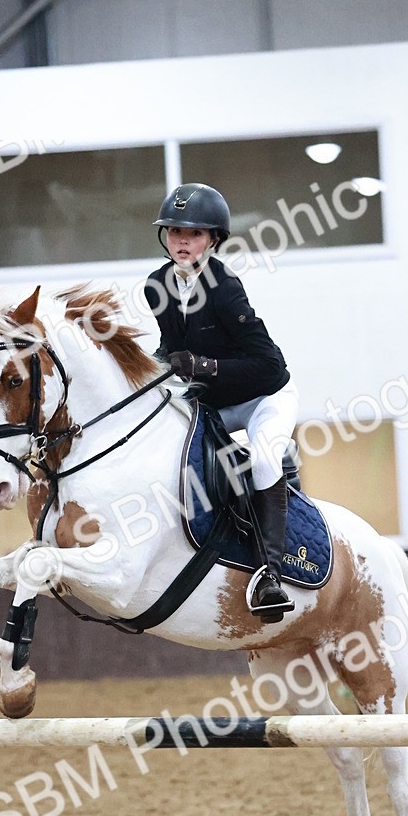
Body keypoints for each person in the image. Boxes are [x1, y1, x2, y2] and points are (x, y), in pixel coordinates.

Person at [143, 182, 299, 622]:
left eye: (191, 234)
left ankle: (272, 573)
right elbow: (171, 345)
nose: (181, 241)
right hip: (215, 404)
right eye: (173, 232)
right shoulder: (157, 285)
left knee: (264, 461)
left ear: (212, 239)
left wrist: (206, 366)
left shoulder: (225, 289)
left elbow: (270, 366)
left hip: (264, 398)